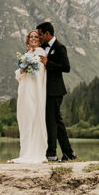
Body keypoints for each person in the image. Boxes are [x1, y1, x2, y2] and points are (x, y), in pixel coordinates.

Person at [36, 21, 75, 161]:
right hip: (45, 91)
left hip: (55, 91)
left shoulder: (59, 47)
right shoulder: (41, 48)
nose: (39, 37)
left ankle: (51, 153)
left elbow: (66, 67)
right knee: (57, 122)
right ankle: (69, 153)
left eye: (40, 34)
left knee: (51, 122)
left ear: (47, 33)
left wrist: (49, 63)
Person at [10, 30, 48, 163]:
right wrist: (23, 68)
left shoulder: (41, 52)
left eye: (36, 37)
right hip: (24, 88)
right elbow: (19, 74)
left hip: (34, 89)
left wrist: (28, 64)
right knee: (24, 118)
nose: (33, 39)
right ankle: (25, 151)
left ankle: (35, 151)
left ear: (40, 39)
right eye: (31, 37)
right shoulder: (26, 54)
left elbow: (40, 71)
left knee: (33, 115)